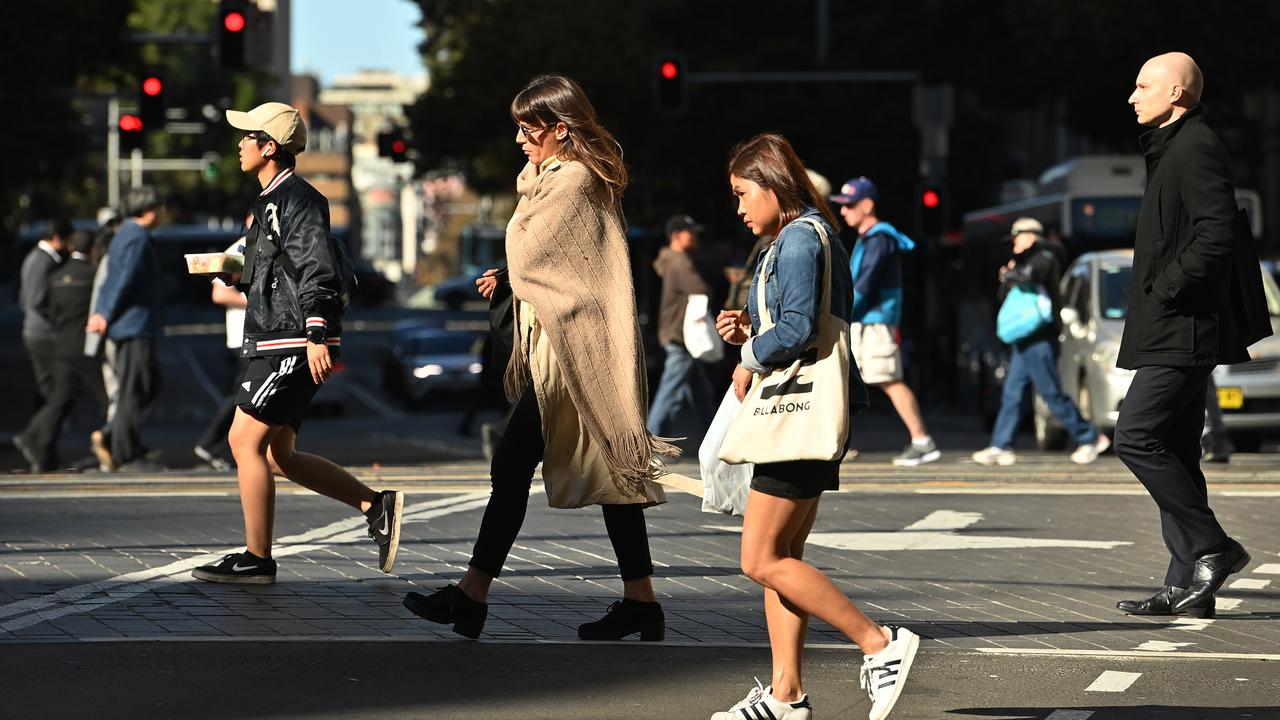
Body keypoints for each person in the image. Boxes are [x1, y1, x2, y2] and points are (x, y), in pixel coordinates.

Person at [403, 75, 673, 641]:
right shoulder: (558, 179)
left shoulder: (570, 180)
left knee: (519, 466)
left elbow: (530, 247)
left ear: (560, 128)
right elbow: (549, 259)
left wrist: (513, 264)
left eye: (529, 130)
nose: (520, 141)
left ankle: (473, 596)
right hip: (571, 346)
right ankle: (639, 601)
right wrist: (511, 273)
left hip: (573, 350)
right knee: (606, 471)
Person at [711, 133, 917, 720]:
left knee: (759, 559)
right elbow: (799, 319)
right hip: (807, 414)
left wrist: (751, 353)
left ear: (774, 187)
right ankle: (785, 695)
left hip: (795, 416)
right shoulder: (812, 235)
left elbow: (800, 328)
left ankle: (880, 644)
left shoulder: (799, 239)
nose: (740, 207)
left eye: (743, 193)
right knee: (782, 557)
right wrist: (750, 326)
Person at [191, 102, 403, 583]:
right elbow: (277, 273)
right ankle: (376, 506)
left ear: (269, 147)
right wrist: (235, 274)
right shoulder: (268, 202)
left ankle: (257, 559)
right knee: (276, 454)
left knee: (242, 440)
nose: (239, 143)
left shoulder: (298, 200)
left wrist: (315, 333)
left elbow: (316, 268)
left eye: (247, 136)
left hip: (290, 341)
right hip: (276, 336)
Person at [1113, 53, 1256, 618]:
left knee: (1135, 436)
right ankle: (1186, 586)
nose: (1132, 95)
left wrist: (1167, 288)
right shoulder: (1170, 145)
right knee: (1174, 449)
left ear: (1176, 92)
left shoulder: (1194, 145)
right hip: (1174, 322)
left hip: (1184, 325)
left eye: (1143, 85)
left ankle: (1214, 548)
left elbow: (1217, 232)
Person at [972, 218, 1110, 466]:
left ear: (1030, 236)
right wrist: (1010, 274)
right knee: (1012, 392)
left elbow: (1029, 275)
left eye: (1017, 237)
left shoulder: (1045, 256)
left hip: (1040, 339)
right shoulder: (1028, 259)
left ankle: (1090, 437)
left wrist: (1009, 273)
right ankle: (1001, 446)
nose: (1014, 242)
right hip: (1024, 339)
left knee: (1050, 392)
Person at [831, 178, 940, 466]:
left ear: (867, 205)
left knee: (889, 379)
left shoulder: (879, 238)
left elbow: (865, 284)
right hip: (867, 320)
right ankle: (837, 444)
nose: (844, 212)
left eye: (850, 205)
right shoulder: (873, 237)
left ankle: (922, 440)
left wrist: (841, 310)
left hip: (874, 322)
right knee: (843, 380)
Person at [86, 188, 165, 472]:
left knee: (147, 385)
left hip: (131, 324)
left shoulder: (125, 234)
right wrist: (104, 314)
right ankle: (124, 451)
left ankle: (114, 436)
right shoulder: (136, 237)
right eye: (160, 207)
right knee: (136, 388)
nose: (163, 213)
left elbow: (114, 278)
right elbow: (123, 279)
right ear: (148, 210)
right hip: (133, 324)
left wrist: (103, 313)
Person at [16, 229, 105, 472]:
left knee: (62, 393)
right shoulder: (85, 273)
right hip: (66, 341)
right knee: (92, 395)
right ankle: (112, 445)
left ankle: (41, 446)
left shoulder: (57, 272)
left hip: (58, 340)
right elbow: (35, 302)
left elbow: (41, 303)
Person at [647, 213, 715, 437]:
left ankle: (714, 440)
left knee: (701, 393)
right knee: (670, 392)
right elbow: (701, 290)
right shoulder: (679, 261)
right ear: (676, 235)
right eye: (691, 232)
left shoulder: (670, 260)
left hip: (678, 333)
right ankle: (650, 443)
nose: (696, 236)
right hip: (682, 335)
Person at [194, 224, 251, 471]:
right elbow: (219, 293)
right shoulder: (242, 247)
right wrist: (253, 302)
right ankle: (210, 444)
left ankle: (220, 445)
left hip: (252, 336)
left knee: (245, 393)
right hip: (245, 336)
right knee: (243, 394)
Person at [14, 219, 70, 471]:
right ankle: (34, 437)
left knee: (49, 390)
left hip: (36, 331)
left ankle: (44, 450)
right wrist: (59, 318)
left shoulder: (35, 258)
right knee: (63, 388)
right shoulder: (43, 260)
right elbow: (36, 300)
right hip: (43, 334)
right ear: (57, 238)